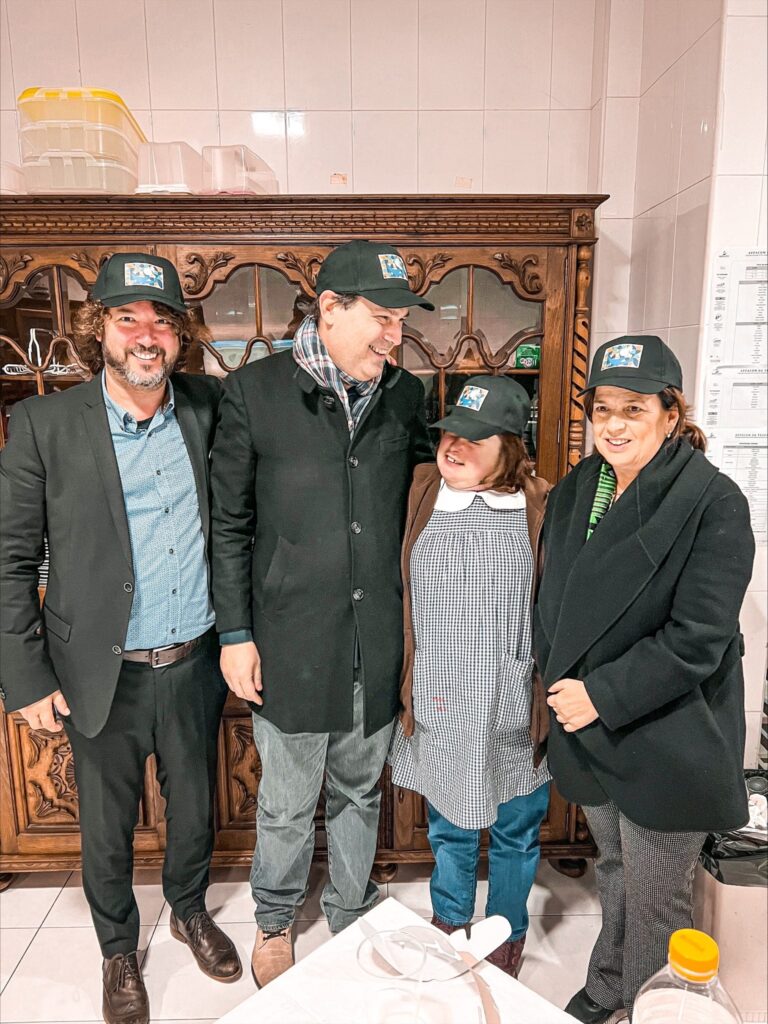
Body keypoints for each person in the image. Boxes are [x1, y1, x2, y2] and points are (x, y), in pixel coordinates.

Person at [0, 253, 241, 1024]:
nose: (146, 335)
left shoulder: (208, 407)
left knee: (195, 805)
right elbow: (9, 558)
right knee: (105, 825)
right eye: (127, 318)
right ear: (96, 328)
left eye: (162, 321)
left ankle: (190, 911)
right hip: (97, 668)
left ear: (180, 336)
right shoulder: (45, 424)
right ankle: (116, 950)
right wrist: (26, 678)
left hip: (195, 658)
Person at [210, 239, 434, 987]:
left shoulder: (405, 396)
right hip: (289, 639)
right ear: (330, 308)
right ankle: (274, 918)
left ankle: (349, 906)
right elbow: (229, 525)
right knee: (285, 800)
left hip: (377, 637)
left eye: (401, 321)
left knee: (360, 789)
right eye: (382, 318)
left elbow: (423, 504)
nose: (394, 336)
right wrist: (235, 634)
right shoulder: (255, 392)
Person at [534, 335, 755, 1023]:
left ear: (670, 412)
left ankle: (646, 1006)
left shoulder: (712, 501)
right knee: (615, 870)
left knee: (659, 895)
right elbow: (553, 598)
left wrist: (599, 694)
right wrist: (561, 685)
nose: (615, 425)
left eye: (634, 408)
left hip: (664, 730)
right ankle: (609, 986)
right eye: (603, 408)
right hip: (588, 727)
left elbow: (698, 637)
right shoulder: (580, 488)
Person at [389, 374, 552, 979]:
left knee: (516, 830)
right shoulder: (420, 492)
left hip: (513, 701)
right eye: (449, 433)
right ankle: (451, 918)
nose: (453, 446)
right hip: (441, 697)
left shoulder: (541, 504)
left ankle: (506, 929)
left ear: (509, 447)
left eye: (473, 438)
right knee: (450, 825)